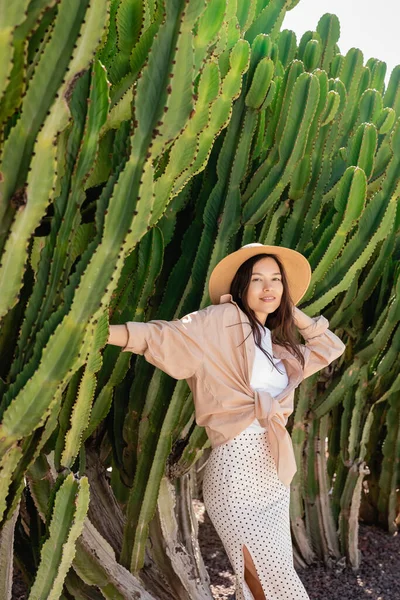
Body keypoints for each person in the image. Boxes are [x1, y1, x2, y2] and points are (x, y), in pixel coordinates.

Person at [107, 243, 346, 600]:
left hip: (273, 478)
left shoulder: (275, 345)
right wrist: (105, 333)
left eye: (277, 280)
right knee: (274, 581)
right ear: (240, 286)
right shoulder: (220, 321)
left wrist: (293, 312)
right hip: (235, 472)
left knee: (257, 584)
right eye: (257, 279)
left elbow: (330, 348)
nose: (269, 287)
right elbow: (166, 336)